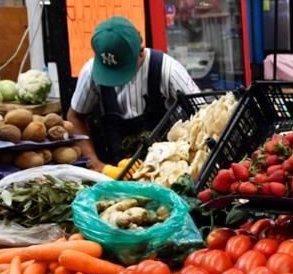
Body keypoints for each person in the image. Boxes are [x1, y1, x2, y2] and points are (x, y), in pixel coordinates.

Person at [66, 16, 199, 171]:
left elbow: (202, 112)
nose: (116, 80)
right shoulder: (91, 73)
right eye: (110, 73)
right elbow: (75, 116)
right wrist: (94, 163)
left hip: (164, 169)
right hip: (113, 169)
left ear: (141, 51)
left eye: (121, 71)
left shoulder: (168, 70)